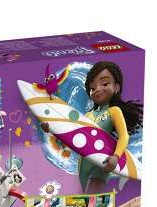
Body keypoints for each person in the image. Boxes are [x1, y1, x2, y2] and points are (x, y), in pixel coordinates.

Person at [41, 61, 143, 193]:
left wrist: (116, 157)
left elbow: (124, 136)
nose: (97, 90)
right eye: (92, 88)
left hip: (102, 162)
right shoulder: (87, 115)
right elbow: (71, 137)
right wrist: (51, 129)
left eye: (105, 84)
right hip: (83, 166)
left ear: (116, 87)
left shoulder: (114, 111)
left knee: (91, 198)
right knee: (86, 199)